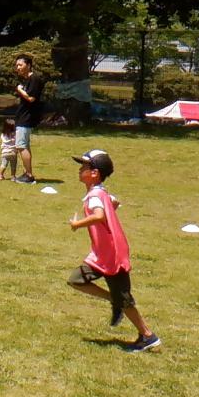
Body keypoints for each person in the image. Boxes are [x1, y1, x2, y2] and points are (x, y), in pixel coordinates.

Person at [66, 148, 158, 352]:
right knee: (76, 280)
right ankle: (112, 300)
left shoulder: (94, 196)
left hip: (112, 255)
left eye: (84, 166)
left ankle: (147, 336)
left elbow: (99, 215)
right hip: (101, 255)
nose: (80, 169)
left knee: (125, 299)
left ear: (94, 173)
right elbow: (113, 203)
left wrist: (77, 224)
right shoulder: (100, 192)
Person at [10, 52, 46, 182]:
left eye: (20, 64)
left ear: (29, 65)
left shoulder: (34, 79)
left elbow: (31, 98)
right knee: (24, 145)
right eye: (16, 65)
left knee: (21, 146)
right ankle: (26, 173)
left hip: (26, 117)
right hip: (22, 116)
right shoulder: (28, 80)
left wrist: (19, 90)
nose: (18, 67)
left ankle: (29, 175)